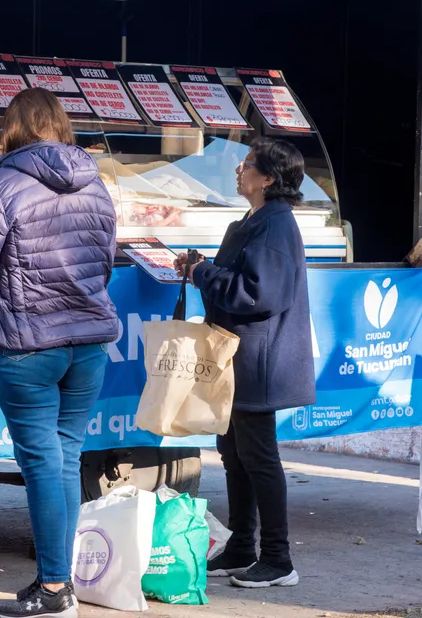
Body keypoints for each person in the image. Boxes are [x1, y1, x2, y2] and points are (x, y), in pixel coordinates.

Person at [0, 88, 119, 618]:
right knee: (64, 459)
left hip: (25, 346)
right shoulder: (97, 185)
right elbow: (106, 262)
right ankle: (58, 580)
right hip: (87, 345)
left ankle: (53, 590)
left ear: (12, 128)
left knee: (43, 464)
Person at [175, 137, 316, 589]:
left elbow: (257, 294)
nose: (239, 170)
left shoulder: (275, 226)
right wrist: (201, 269)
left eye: (248, 165)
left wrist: (201, 273)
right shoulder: (256, 219)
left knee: (259, 457)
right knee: (234, 454)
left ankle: (278, 560)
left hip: (260, 360)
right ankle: (241, 546)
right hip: (238, 357)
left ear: (269, 179)